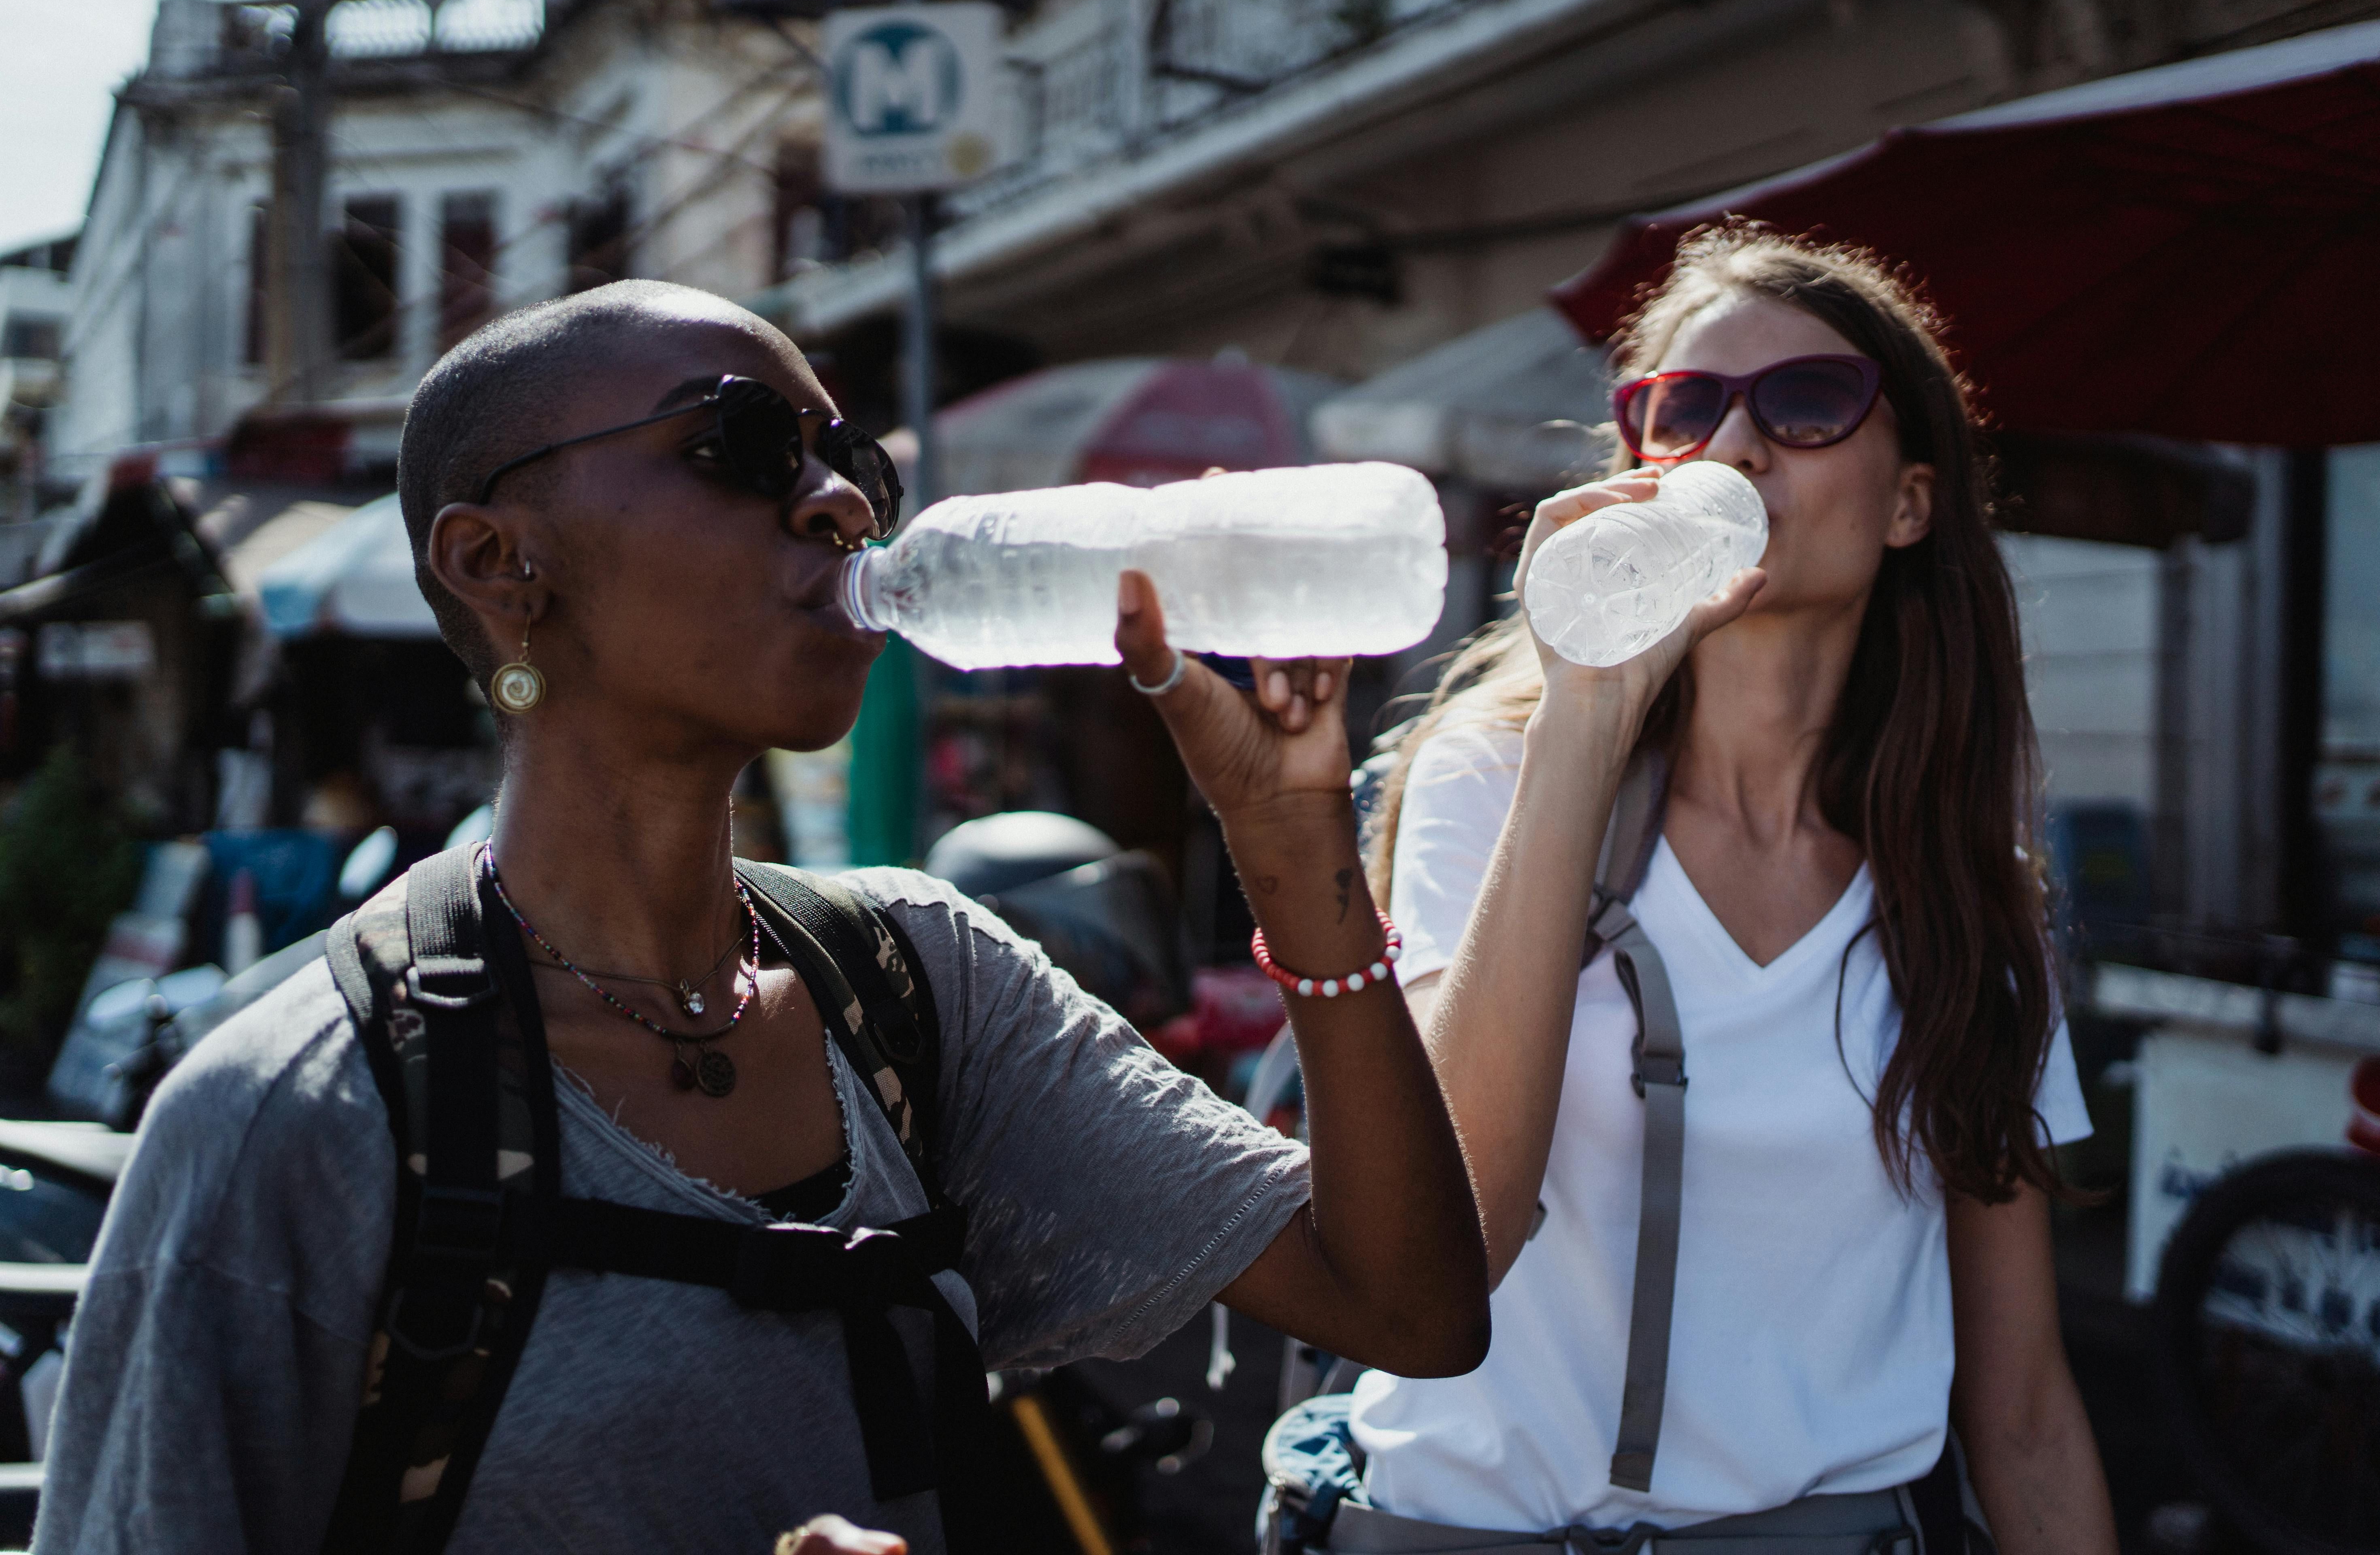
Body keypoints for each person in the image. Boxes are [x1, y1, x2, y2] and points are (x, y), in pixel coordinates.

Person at [34, 282, 1487, 1554]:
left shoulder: (919, 982)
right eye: (737, 444)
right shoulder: (298, 1114)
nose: (842, 502)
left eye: (844, 457)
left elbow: (1409, 1310)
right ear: (497, 562)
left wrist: (1297, 858)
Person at [1340, 229, 2115, 1552]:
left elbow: (2025, 1404)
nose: (1739, 451)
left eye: (1808, 407)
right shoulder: (1488, 779)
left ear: (1912, 503)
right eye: (1684, 411)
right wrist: (1584, 714)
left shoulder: (1965, 895)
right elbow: (1456, 1240)